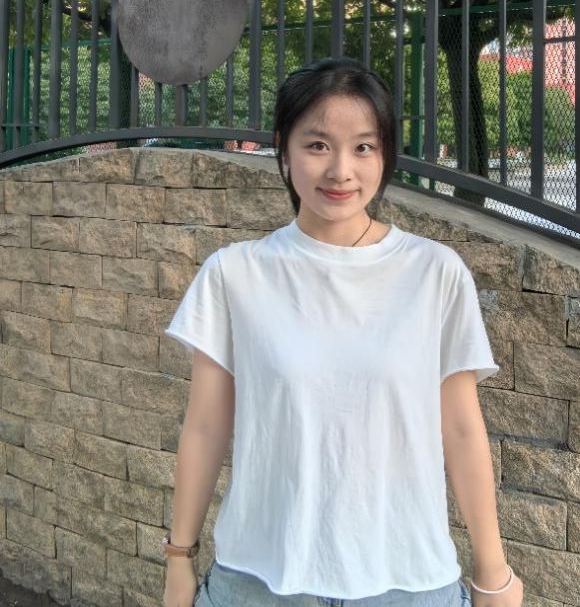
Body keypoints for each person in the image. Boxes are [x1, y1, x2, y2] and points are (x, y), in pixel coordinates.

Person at [162, 57, 525, 607]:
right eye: (317, 145)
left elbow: (461, 429)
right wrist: (178, 559)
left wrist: (492, 573)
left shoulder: (434, 273)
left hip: (408, 581)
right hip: (259, 580)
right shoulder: (234, 274)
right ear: (284, 150)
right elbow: (206, 427)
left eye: (363, 147)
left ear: (385, 155)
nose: (340, 170)